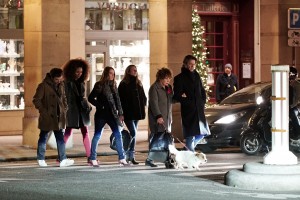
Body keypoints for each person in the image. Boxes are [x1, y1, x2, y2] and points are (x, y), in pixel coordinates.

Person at [88, 66, 130, 167]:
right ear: (106, 74)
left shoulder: (114, 85)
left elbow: (118, 100)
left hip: (112, 114)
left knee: (118, 135)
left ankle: (122, 158)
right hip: (101, 114)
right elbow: (90, 98)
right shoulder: (99, 85)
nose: (112, 75)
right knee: (97, 135)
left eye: (113, 73)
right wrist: (100, 105)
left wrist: (121, 113)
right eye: (110, 73)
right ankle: (93, 158)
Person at [33, 68, 74, 167]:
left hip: (59, 116)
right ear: (52, 78)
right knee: (43, 136)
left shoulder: (61, 85)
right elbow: (36, 100)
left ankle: (63, 159)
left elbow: (64, 97)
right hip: (48, 116)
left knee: (60, 137)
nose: (59, 81)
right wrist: (44, 111)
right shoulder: (43, 86)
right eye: (57, 79)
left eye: (60, 79)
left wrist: (65, 108)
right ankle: (41, 158)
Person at [173, 55, 210, 152]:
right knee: (190, 134)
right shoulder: (179, 78)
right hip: (188, 110)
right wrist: (188, 102)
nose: (192, 66)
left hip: (199, 108)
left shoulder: (197, 75)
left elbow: (202, 90)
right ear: (185, 64)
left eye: (194, 64)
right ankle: (191, 155)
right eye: (190, 64)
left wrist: (202, 101)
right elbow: (177, 95)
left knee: (203, 133)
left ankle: (188, 149)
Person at [62, 58, 92, 164]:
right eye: (77, 72)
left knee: (85, 132)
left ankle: (90, 157)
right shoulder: (66, 83)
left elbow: (82, 97)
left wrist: (87, 106)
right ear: (71, 71)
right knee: (68, 132)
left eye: (81, 72)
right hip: (72, 111)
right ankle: (60, 156)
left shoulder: (81, 82)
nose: (79, 74)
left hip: (81, 111)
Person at [118, 65, 147, 165]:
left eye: (136, 70)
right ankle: (126, 154)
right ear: (128, 71)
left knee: (133, 134)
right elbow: (120, 100)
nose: (135, 72)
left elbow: (143, 96)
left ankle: (131, 156)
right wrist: (121, 113)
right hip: (128, 113)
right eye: (133, 70)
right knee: (133, 133)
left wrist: (144, 103)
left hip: (137, 113)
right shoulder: (123, 84)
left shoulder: (138, 82)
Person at [145, 67, 173, 167]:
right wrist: (158, 116)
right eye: (166, 78)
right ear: (160, 78)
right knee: (156, 139)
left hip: (167, 118)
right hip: (158, 119)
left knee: (166, 140)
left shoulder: (168, 88)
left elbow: (170, 101)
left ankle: (167, 160)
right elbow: (153, 103)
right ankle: (150, 159)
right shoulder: (154, 88)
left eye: (169, 78)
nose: (168, 80)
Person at [289, 66, 300, 139]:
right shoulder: (287, 83)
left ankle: (297, 133)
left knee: (293, 116)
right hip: (289, 105)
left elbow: (297, 98)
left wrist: (292, 106)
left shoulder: (297, 84)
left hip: (294, 106)